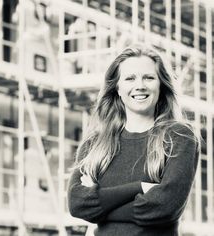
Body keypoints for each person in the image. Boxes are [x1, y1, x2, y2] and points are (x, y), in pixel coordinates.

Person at [67, 44, 200, 236]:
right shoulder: (95, 142)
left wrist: (101, 205)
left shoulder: (179, 136)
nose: (140, 85)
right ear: (117, 89)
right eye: (130, 78)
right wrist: (140, 188)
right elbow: (77, 203)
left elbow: (165, 207)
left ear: (161, 86)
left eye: (149, 77)